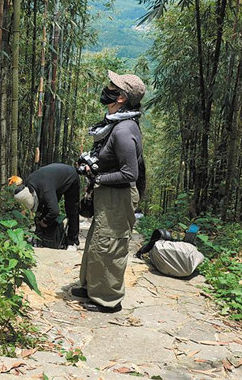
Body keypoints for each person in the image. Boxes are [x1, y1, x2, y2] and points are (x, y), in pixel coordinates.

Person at [72, 70, 145, 313]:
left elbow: (130, 173)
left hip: (118, 195)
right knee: (96, 241)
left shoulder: (124, 131)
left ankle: (108, 299)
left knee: (110, 245)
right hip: (108, 193)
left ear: (121, 97)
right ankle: (91, 285)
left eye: (112, 86)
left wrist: (98, 177)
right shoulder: (114, 123)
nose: (107, 88)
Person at [9, 163, 80, 250]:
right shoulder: (28, 184)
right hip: (52, 179)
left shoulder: (46, 190)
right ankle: (42, 238)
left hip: (70, 177)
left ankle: (73, 241)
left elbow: (54, 211)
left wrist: (45, 222)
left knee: (71, 210)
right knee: (46, 210)